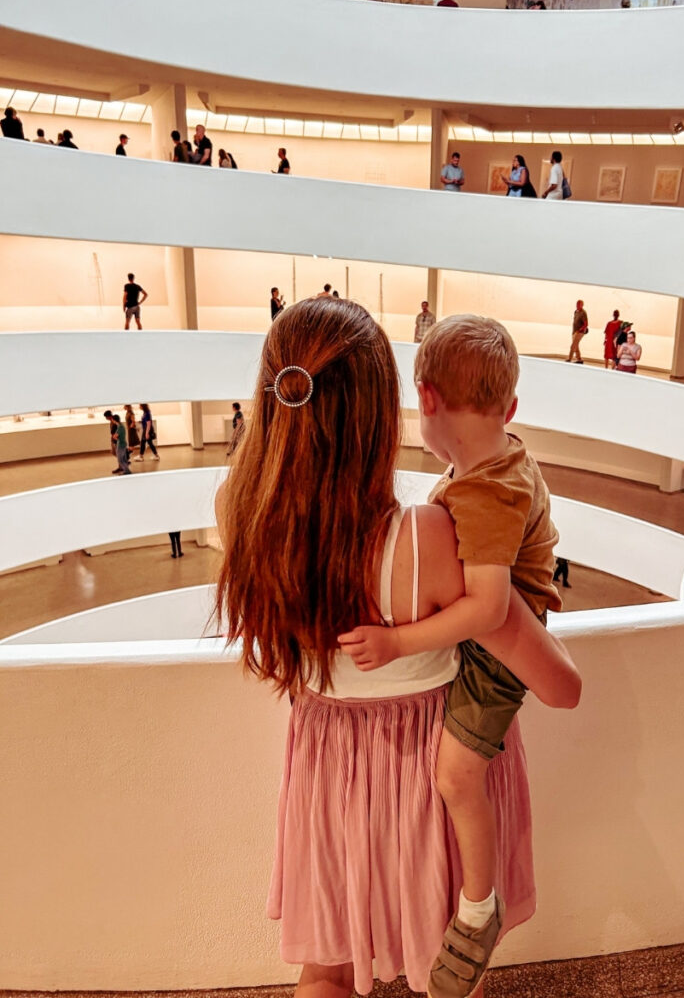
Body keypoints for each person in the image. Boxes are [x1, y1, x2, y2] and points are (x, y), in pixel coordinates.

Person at [215, 298, 580, 998]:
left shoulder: (251, 527)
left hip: (328, 775)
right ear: (384, 412)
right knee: (448, 970)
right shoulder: (428, 538)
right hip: (425, 772)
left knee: (324, 969)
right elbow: (559, 684)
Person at [339, 314, 576, 998]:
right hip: (496, 641)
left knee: (454, 778)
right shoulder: (492, 462)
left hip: (498, 660)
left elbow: (490, 610)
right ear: (510, 408)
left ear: (427, 399)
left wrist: (396, 642)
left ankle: (477, 910)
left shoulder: (487, 490)